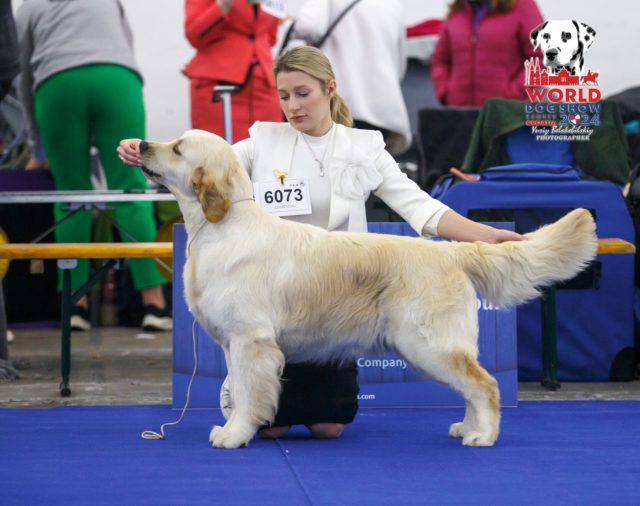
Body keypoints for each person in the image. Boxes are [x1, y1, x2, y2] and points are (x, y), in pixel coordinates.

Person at [118, 46, 523, 439]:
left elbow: (421, 208)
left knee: (329, 428)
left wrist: (488, 237)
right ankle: (248, 405)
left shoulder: (364, 148)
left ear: (330, 89)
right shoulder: (261, 142)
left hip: (338, 304)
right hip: (276, 300)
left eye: (303, 93)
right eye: (283, 96)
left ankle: (481, 406)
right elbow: (198, 163)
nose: (293, 106)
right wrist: (146, 154)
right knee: (271, 427)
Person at [15, 0, 171, 332]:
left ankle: (76, 307)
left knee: (71, 193)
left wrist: (37, 144)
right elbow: (125, 47)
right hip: (117, 79)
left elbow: (24, 77)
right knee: (130, 187)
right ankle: (154, 306)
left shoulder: (28, 7)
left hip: (57, 85)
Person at [291, 0, 412, 156]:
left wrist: (286, 23)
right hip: (381, 109)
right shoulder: (393, 5)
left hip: (339, 103)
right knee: (366, 172)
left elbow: (307, 27)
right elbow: (400, 64)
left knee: (327, 171)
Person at [183, 0, 284, 142]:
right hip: (217, 85)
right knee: (215, 157)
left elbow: (270, 36)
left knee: (270, 153)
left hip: (264, 84)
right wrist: (223, 5)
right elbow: (193, 34)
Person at [431, 0, 544, 107]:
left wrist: (514, 95)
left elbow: (538, 60)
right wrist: (445, 92)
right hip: (459, 115)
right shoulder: (457, 10)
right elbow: (440, 60)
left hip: (505, 116)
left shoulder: (523, 6)